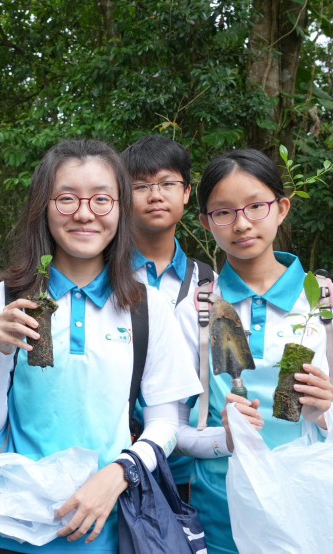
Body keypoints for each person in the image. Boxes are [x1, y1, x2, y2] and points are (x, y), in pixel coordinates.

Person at [0, 139, 202, 554]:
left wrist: (118, 475)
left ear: (120, 209)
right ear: (44, 208)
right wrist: (2, 350)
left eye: (101, 199)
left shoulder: (146, 307)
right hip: (5, 535)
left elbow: (167, 423)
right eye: (67, 198)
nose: (84, 213)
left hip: (103, 536)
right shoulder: (5, 298)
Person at [179, 149, 333, 554]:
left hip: (314, 518)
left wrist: (328, 412)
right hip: (227, 525)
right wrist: (225, 438)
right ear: (207, 222)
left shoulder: (325, 302)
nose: (242, 223)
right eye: (224, 212)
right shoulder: (200, 308)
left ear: (281, 208)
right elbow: (178, 434)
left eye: (256, 206)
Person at [122, 135, 214, 501]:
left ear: (187, 193)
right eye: (141, 186)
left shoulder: (207, 282)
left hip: (190, 468)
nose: (155, 195)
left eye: (167, 184)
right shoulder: (104, 278)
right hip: (120, 459)